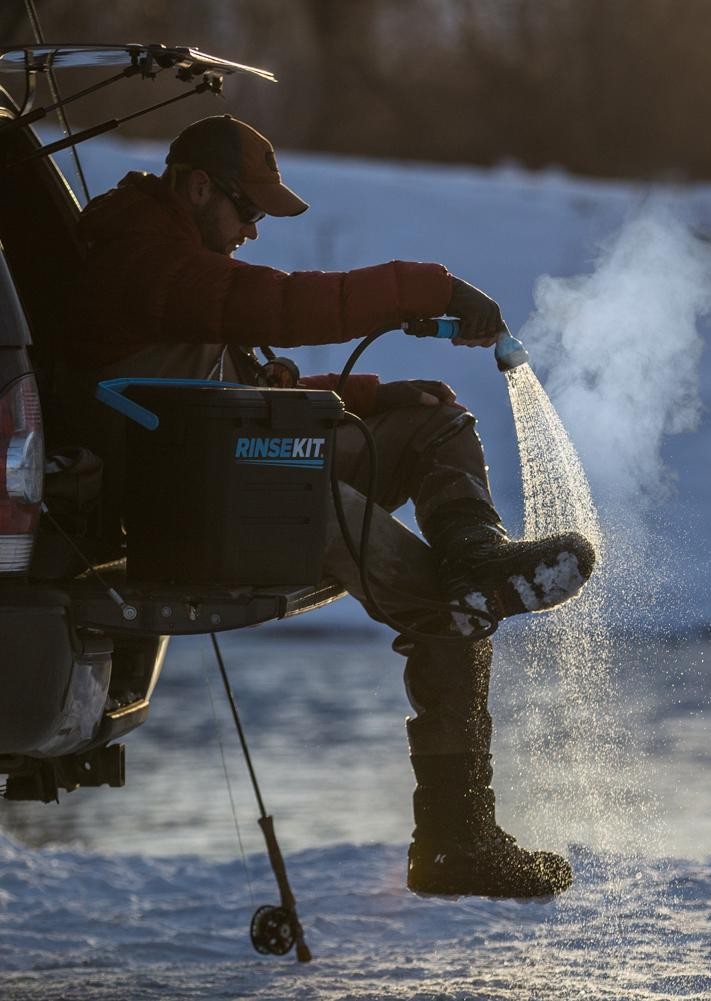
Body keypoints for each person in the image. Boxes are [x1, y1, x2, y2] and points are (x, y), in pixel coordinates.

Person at [67, 115, 595, 899]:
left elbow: (253, 392)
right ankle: (456, 836)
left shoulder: (186, 260)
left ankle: (474, 553)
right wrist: (425, 288)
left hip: (236, 465)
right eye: (247, 211)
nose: (251, 231)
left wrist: (376, 398)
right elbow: (279, 306)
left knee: (434, 426)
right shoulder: (142, 257)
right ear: (199, 186)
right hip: (193, 497)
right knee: (437, 602)